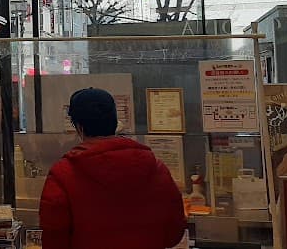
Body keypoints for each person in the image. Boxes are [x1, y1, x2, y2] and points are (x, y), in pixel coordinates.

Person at [39, 88, 186, 249]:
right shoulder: (157, 169)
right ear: (115, 122)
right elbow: (174, 234)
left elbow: (54, 241)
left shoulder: (63, 175)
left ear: (79, 127)